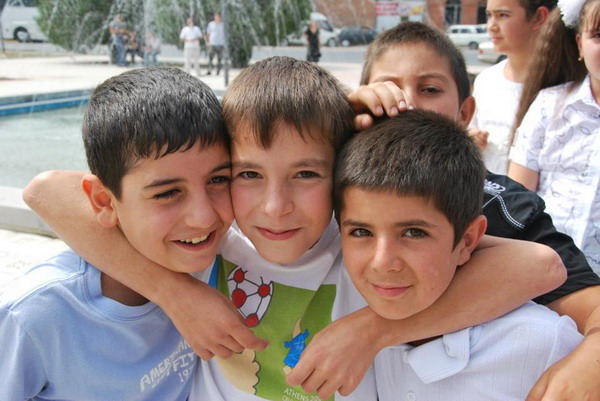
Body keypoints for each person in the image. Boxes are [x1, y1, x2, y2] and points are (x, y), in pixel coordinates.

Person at [23, 57, 561, 401]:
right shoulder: (215, 236)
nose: (275, 208)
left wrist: (374, 329)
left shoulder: (355, 244)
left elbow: (542, 265)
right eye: (247, 175)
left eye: (306, 174)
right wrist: (175, 292)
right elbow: (45, 190)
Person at [292, 20, 600, 401]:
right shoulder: (336, 183)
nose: (404, 104)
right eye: (386, 88)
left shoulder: (501, 202)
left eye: (430, 89)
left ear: (465, 111)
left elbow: (551, 270)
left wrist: (373, 329)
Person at [0, 67, 234, 399]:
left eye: (219, 180)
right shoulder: (37, 316)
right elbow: (42, 189)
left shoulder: (224, 258)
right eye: (167, 193)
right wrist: (175, 293)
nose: (203, 216)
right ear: (103, 201)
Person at [334, 109, 583, 400]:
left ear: (467, 241)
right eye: (361, 232)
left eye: (414, 232)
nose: (383, 262)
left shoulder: (544, 344)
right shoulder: (345, 304)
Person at [509, 0, 600, 275]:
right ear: (579, 44)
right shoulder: (549, 106)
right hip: (545, 275)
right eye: (598, 35)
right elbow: (517, 196)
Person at [469, 0, 556, 174]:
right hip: (490, 194)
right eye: (489, 15)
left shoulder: (559, 86)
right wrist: (472, 137)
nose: (491, 26)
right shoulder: (486, 80)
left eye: (503, 15)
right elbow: (471, 127)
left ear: (539, 17)